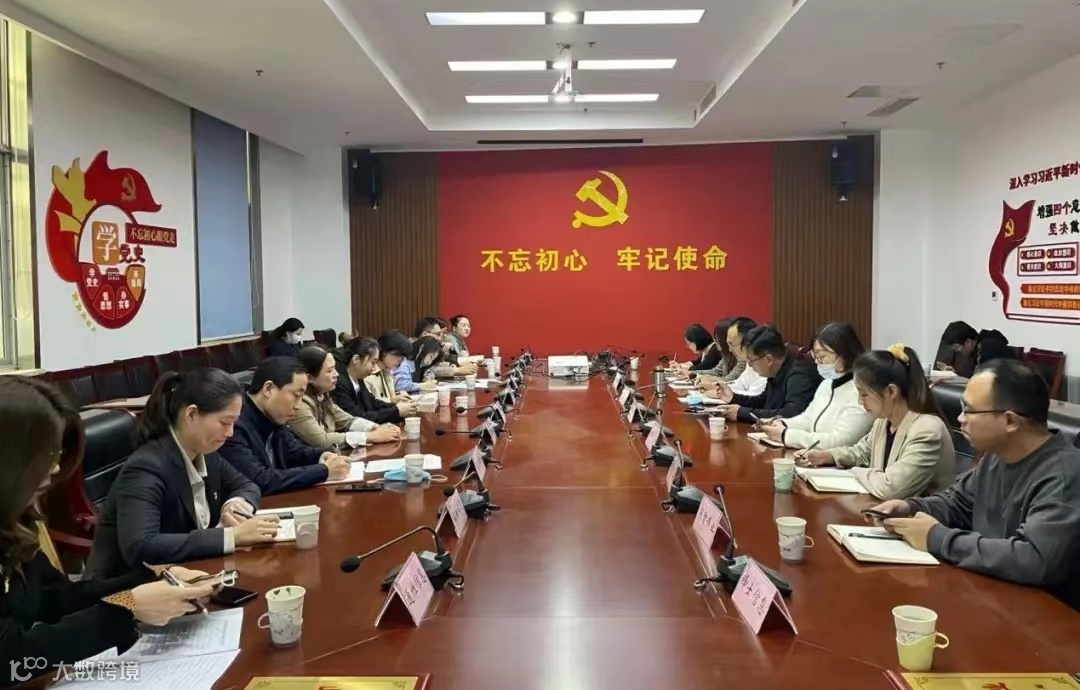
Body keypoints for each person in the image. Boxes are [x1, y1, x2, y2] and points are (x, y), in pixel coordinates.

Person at [0, 377, 216, 681]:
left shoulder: (15, 521)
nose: (56, 468)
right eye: (47, 455)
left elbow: (58, 598)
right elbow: (8, 657)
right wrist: (127, 609)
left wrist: (150, 580)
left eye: (57, 455)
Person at [870, 359, 1080, 610]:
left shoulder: (1065, 474)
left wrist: (937, 538)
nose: (960, 418)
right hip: (992, 595)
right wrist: (911, 507)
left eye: (969, 410)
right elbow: (958, 502)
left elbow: (1034, 559)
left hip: (1044, 616)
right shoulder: (997, 455)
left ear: (1010, 421)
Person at [86, 369, 278, 578]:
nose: (230, 433)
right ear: (191, 414)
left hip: (189, 573)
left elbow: (246, 485)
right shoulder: (146, 467)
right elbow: (141, 545)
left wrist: (235, 504)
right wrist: (231, 536)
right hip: (128, 588)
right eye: (224, 422)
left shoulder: (206, 452)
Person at [795, 344, 956, 499]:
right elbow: (862, 452)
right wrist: (827, 456)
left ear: (891, 392)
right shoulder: (884, 421)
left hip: (920, 516)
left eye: (864, 394)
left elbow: (891, 488)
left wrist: (855, 472)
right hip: (883, 510)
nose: (860, 401)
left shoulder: (927, 430)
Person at [218, 357, 352, 495]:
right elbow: (259, 480)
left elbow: (293, 451)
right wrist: (323, 471)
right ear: (268, 389)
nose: (298, 406)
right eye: (296, 395)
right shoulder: (233, 424)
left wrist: (322, 456)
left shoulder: (273, 415)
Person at [757, 322, 873, 450]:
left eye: (822, 356)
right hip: (810, 456)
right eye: (815, 356)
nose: (817, 362)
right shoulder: (827, 384)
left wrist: (786, 435)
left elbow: (841, 440)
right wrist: (782, 423)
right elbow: (808, 418)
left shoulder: (861, 392)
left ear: (844, 354)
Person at [291, 345, 400, 450]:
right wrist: (369, 436)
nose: (336, 374)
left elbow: (347, 420)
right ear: (310, 378)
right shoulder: (299, 404)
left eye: (335, 368)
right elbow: (321, 441)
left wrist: (374, 427)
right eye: (329, 370)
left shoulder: (322, 395)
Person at [714, 324, 819, 423]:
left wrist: (742, 413)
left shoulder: (799, 376)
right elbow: (763, 401)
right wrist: (733, 397)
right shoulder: (776, 370)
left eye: (751, 360)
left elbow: (791, 414)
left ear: (769, 360)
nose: (749, 365)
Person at [333, 333, 418, 424]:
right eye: (373, 362)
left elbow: (372, 402)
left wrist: (396, 407)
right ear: (356, 360)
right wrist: (396, 411)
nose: (374, 368)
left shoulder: (358, 377)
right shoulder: (340, 382)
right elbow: (358, 417)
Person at [701, 317, 766, 398]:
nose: (730, 350)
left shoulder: (763, 362)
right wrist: (718, 387)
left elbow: (754, 397)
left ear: (746, 342)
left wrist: (720, 392)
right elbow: (738, 385)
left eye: (731, 345)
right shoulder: (749, 363)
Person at [935, 321, 1014, 377]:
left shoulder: (991, 349)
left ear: (968, 342)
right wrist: (954, 374)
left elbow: (988, 382)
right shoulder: (976, 350)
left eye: (957, 348)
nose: (958, 351)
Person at [690, 317, 745, 385]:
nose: (715, 341)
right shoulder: (726, 355)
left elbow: (728, 380)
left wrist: (702, 378)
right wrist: (692, 373)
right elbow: (716, 372)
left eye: (717, 338)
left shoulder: (742, 358)